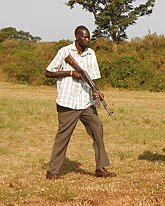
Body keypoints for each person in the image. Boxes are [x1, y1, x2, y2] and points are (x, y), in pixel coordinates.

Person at [45, 26, 115, 179]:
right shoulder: (65, 52)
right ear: (76, 37)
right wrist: (70, 73)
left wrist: (96, 92)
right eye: (84, 37)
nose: (87, 40)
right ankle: (53, 172)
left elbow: (92, 79)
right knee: (63, 137)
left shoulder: (91, 54)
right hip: (68, 102)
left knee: (97, 129)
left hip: (85, 102)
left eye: (89, 37)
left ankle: (100, 168)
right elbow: (48, 72)